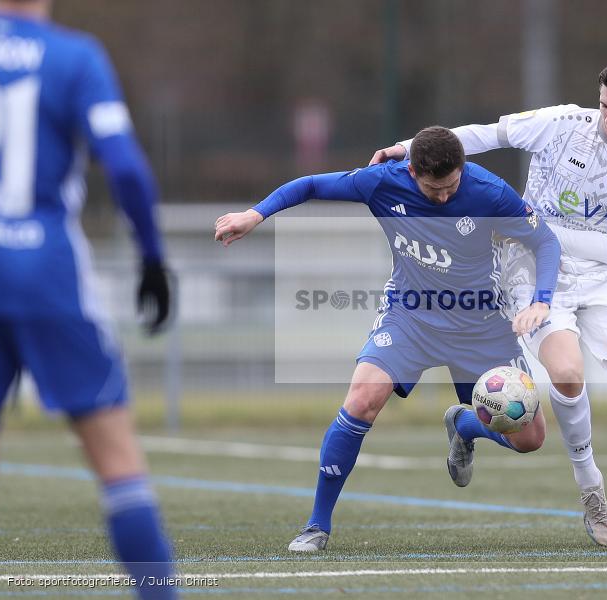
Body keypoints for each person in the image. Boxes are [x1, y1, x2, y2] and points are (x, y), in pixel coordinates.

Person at [371, 55, 607, 545]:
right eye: (603, 105)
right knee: (569, 375)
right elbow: (484, 135)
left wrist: (526, 223)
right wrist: (406, 148)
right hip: (531, 273)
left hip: (601, 278)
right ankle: (592, 493)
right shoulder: (560, 124)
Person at [215, 126, 561, 552]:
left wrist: (541, 300)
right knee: (362, 398)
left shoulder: (489, 190)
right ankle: (317, 526)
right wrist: (255, 214)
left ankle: (465, 425)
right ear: (412, 171)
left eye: (452, 186)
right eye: (434, 189)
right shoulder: (381, 181)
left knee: (531, 438)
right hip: (410, 315)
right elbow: (308, 185)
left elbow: (543, 239)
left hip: (482, 323)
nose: (443, 197)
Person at [0, 1, 176, 597]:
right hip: (44, 271)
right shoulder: (74, 57)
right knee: (115, 454)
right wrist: (150, 257)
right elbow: (123, 166)